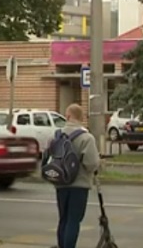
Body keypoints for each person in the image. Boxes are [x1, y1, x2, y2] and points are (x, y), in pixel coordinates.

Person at [53, 104, 101, 248]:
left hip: (60, 183)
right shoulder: (86, 138)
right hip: (79, 185)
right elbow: (91, 164)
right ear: (81, 118)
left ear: (68, 116)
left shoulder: (57, 135)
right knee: (74, 220)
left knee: (63, 219)